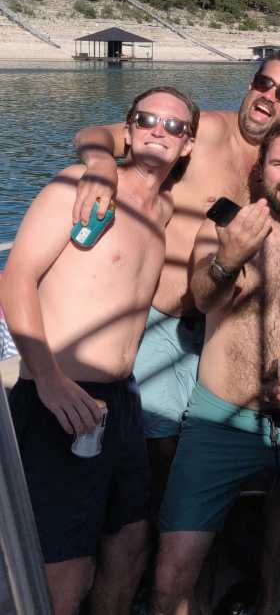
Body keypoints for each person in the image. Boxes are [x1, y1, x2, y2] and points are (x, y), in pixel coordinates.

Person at [72, 50, 280, 502]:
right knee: (160, 448)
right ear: (251, 84)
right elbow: (95, 135)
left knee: (218, 449)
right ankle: (151, 532)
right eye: (263, 83)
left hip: (221, 331)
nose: (269, 97)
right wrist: (101, 166)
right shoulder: (203, 133)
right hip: (163, 321)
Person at [1, 87, 198, 615]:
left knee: (129, 547)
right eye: (146, 120)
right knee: (64, 570)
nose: (159, 130)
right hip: (61, 396)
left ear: (187, 145)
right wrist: (47, 380)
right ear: (127, 132)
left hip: (122, 401)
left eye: (174, 126)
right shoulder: (78, 186)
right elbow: (16, 279)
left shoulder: (164, 209)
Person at [152, 119, 280, 615]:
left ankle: (271, 601)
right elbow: (204, 298)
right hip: (220, 418)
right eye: (279, 163)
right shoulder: (226, 226)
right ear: (261, 170)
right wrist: (230, 258)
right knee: (170, 574)